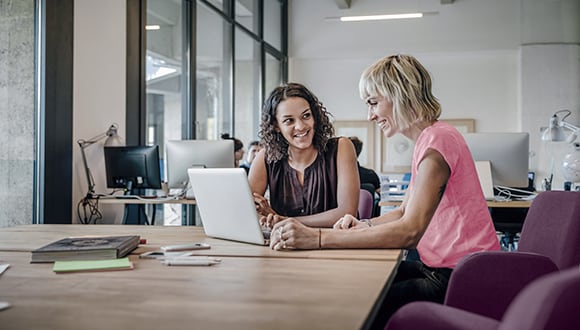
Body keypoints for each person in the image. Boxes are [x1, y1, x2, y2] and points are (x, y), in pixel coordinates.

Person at [268, 55, 500, 325]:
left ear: (400, 95)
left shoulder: (438, 141)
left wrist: (318, 238)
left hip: (461, 277)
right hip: (443, 269)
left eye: (374, 103)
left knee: (352, 300)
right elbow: (403, 211)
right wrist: (363, 224)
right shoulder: (431, 139)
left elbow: (410, 232)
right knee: (354, 280)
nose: (370, 115)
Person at [248, 82, 360, 228]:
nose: (300, 126)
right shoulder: (265, 158)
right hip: (282, 247)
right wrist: (263, 216)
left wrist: (282, 220)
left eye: (306, 116)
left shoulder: (341, 148)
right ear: (276, 126)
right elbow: (247, 212)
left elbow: (346, 213)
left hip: (332, 246)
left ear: (315, 116)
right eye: (289, 120)